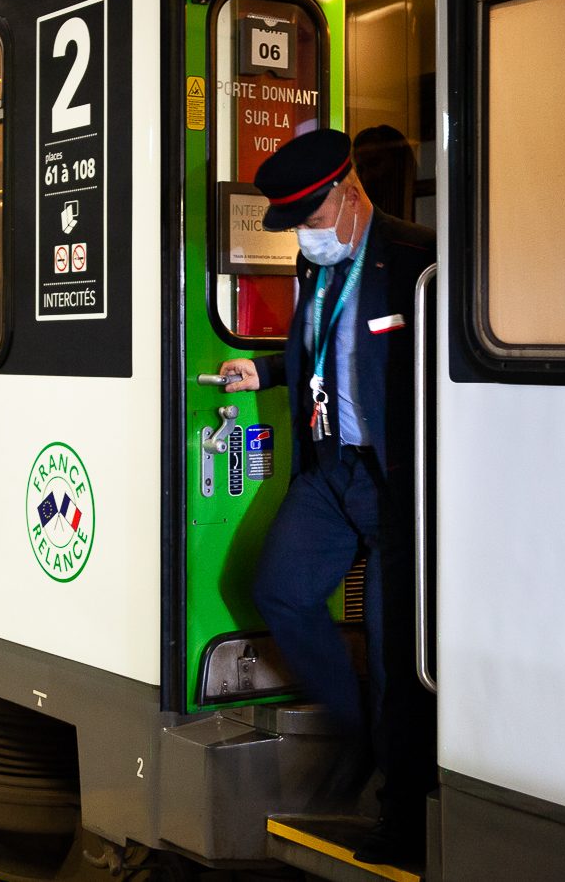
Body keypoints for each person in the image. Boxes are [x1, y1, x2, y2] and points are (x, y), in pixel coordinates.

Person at [217, 127, 436, 867]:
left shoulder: (415, 257)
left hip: (394, 481)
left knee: (393, 651)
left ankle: (402, 815)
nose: (303, 241)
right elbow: (316, 349)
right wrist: (263, 373)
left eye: (307, 222)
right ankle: (360, 736)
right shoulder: (323, 262)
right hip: (330, 468)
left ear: (348, 198)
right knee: (278, 588)